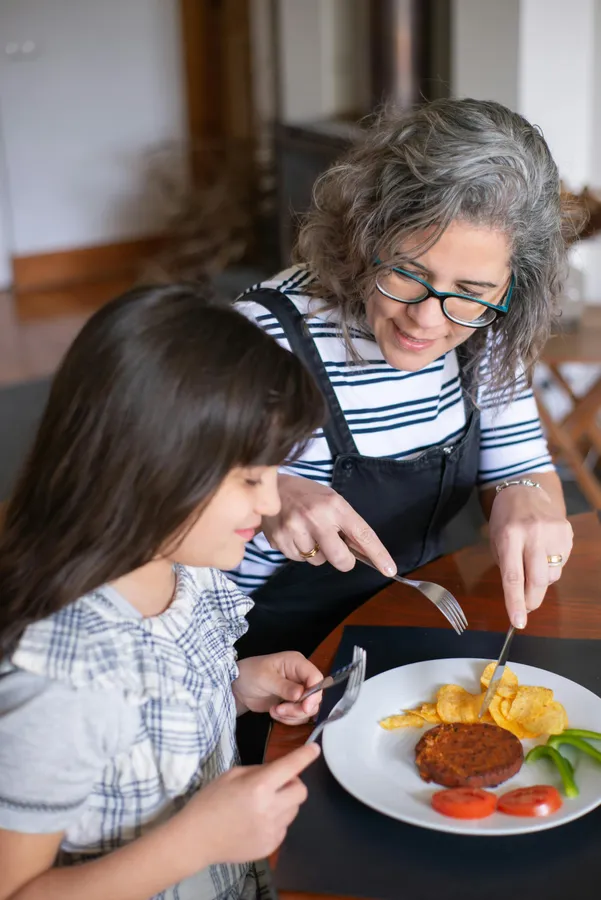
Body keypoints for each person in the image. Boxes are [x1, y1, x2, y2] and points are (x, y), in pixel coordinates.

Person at [0, 285, 327, 900]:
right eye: (251, 477)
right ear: (155, 465)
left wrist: (237, 685)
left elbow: (141, 733)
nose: (273, 502)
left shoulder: (180, 564)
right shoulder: (63, 683)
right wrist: (198, 842)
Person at [231, 98, 575, 663]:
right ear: (366, 238)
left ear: (513, 287)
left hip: (413, 620)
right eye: (408, 274)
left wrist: (527, 495)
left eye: (471, 292)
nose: (428, 319)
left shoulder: (488, 332)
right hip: (259, 654)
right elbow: (161, 514)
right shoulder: (267, 335)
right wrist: (268, 489)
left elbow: (522, 467)